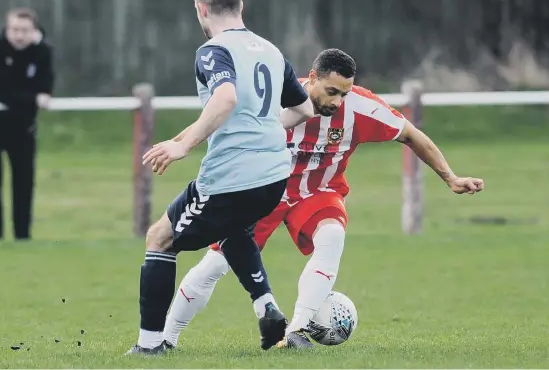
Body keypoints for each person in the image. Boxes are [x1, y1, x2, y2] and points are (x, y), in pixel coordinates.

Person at [162, 48, 485, 349]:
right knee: (214, 265)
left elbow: (412, 135)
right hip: (263, 193)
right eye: (332, 92)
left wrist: (451, 178)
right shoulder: (274, 100)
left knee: (332, 234)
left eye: (344, 93)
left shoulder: (361, 108)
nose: (339, 101)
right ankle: (167, 338)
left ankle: (297, 331)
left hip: (318, 193)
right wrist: (178, 144)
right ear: (312, 78)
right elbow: (217, 121)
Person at [126, 0, 314, 355]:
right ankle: (267, 309)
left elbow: (225, 98)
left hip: (233, 176)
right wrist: (264, 128)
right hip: (274, 175)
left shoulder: (213, 51)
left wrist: (184, 146)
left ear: (201, 9)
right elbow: (304, 108)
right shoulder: (270, 50)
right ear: (240, 3)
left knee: (159, 238)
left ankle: (149, 348)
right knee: (234, 229)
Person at [0, 7, 54, 241]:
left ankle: (22, 237)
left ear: (34, 31)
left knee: (24, 184)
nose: (19, 35)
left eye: (25, 30)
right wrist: (31, 99)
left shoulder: (42, 52)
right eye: (14, 30)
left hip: (21, 129)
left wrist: (39, 96)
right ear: (7, 29)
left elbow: (46, 82)